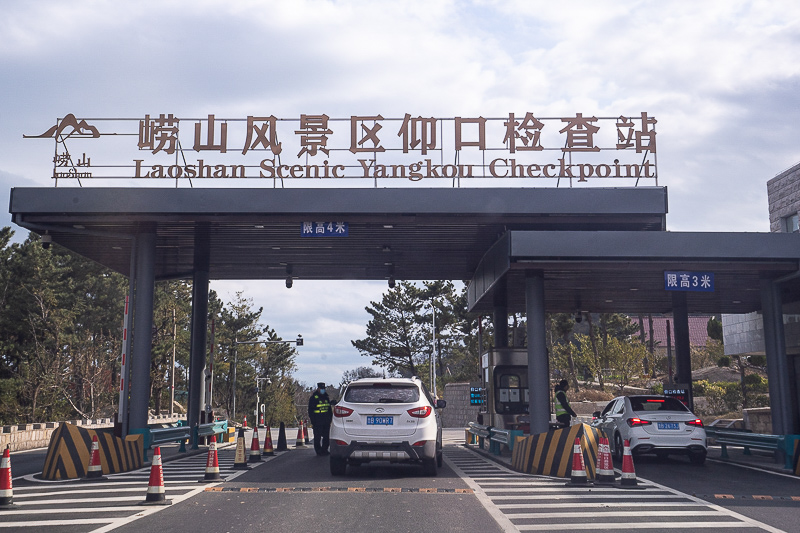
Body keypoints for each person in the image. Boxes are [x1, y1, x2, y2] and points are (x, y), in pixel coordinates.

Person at [308, 382, 333, 456]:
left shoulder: (326, 397)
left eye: (323, 389)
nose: (322, 390)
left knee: (326, 437)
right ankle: (318, 451)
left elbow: (329, 409)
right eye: (321, 389)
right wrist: (313, 421)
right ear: (318, 389)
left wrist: (330, 419)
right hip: (317, 421)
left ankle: (324, 450)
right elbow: (310, 410)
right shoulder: (313, 398)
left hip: (326, 421)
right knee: (317, 437)